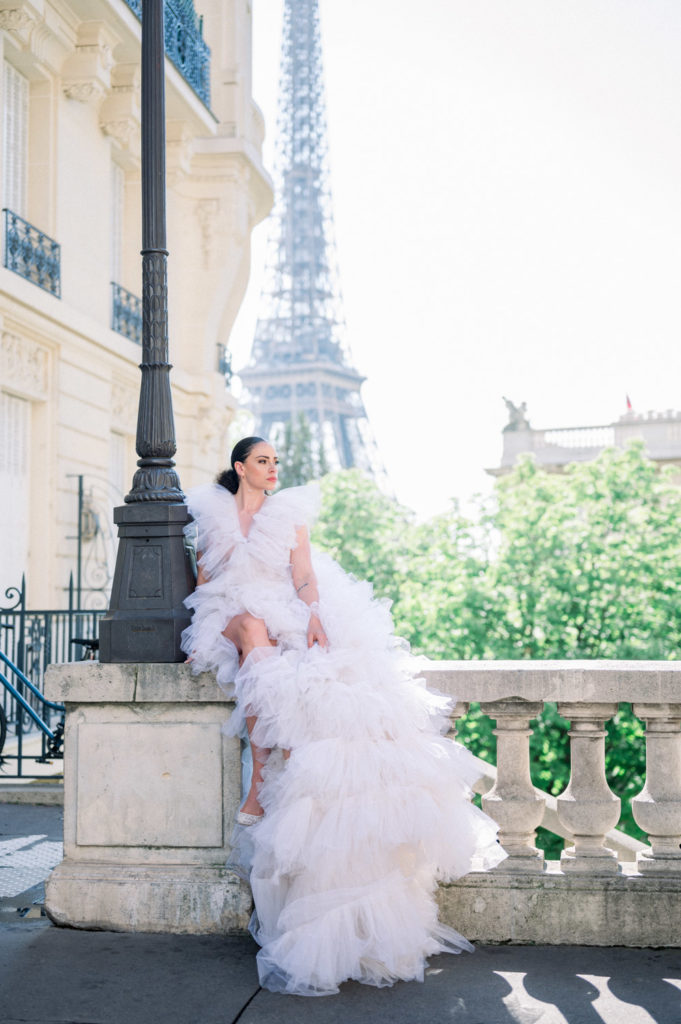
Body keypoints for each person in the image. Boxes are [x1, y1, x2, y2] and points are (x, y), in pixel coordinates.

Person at [182, 436, 506, 996]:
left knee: (303, 677)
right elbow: (205, 581)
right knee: (254, 630)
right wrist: (201, 629)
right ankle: (260, 781)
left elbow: (303, 575)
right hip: (229, 611)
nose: (273, 468)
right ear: (240, 467)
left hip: (279, 609)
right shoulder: (213, 515)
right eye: (262, 461)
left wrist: (312, 614)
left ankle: (270, 772)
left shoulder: (288, 515)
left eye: (276, 461)